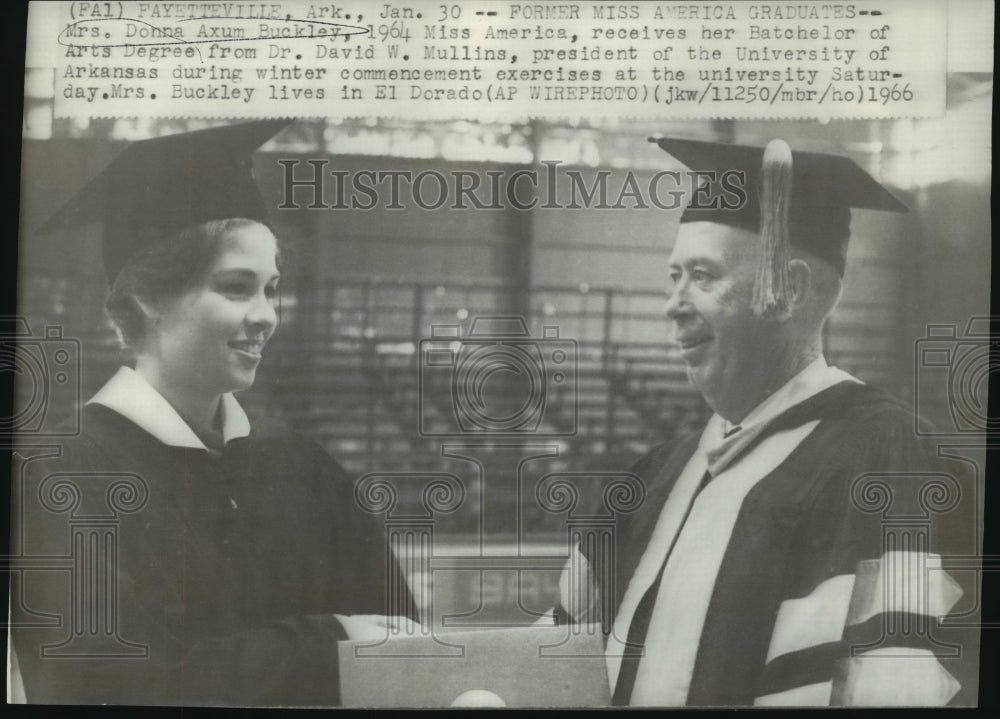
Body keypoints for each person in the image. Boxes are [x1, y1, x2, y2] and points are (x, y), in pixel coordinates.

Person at [559, 138, 979, 706]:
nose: (673, 303)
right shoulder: (656, 475)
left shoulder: (885, 457)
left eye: (703, 276)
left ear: (793, 290)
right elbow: (555, 658)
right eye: (673, 276)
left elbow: (892, 684)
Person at [10, 121, 415, 706]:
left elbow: (400, 645)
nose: (266, 315)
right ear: (147, 298)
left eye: (271, 289)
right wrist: (328, 639)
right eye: (235, 287)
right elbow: (99, 685)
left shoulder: (304, 467)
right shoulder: (56, 477)